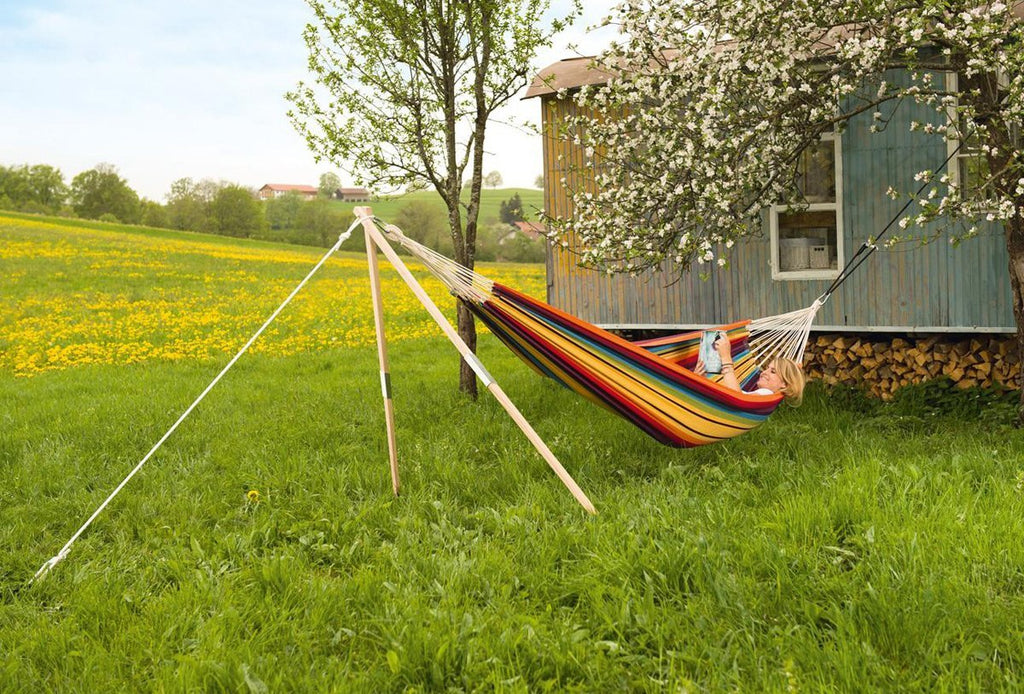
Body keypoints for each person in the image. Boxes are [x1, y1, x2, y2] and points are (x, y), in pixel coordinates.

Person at [694, 333, 806, 406]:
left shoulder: (766, 394)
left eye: (773, 371)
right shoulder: (758, 396)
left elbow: (736, 398)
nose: (764, 372)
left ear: (784, 384)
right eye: (767, 368)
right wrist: (700, 381)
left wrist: (726, 358)